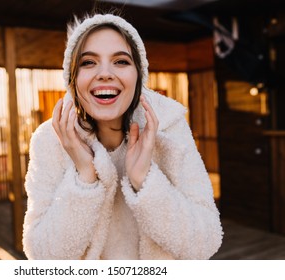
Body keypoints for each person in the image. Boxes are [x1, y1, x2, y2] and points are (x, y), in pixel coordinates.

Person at [22, 13, 223, 260]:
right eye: (88, 63)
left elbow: (206, 240)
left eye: (120, 61)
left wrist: (145, 181)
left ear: (139, 75)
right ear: (72, 79)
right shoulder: (49, 141)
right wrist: (84, 176)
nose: (105, 73)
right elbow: (42, 257)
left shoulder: (168, 128)